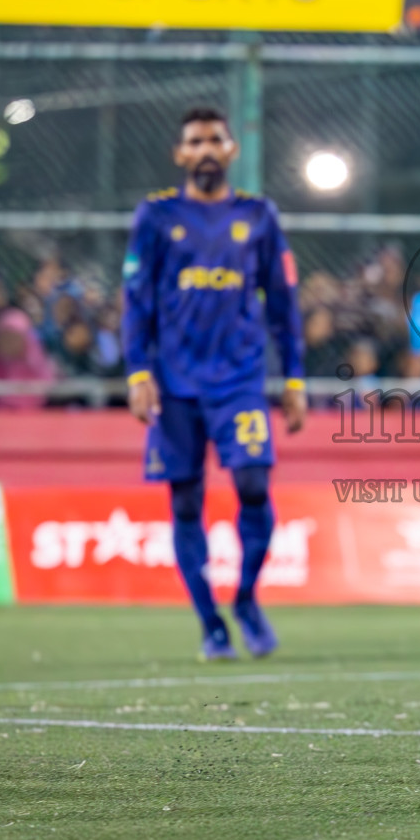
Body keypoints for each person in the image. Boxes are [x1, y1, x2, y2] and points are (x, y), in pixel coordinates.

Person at [123, 106, 306, 662]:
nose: (204, 149)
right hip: (175, 385)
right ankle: (211, 623)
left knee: (253, 484)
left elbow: (284, 303)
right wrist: (137, 372)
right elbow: (135, 301)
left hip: (240, 381)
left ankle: (246, 599)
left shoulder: (258, 215)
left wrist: (294, 379)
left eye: (214, 140)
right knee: (185, 502)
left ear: (231, 150)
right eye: (194, 141)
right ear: (180, 154)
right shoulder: (156, 217)